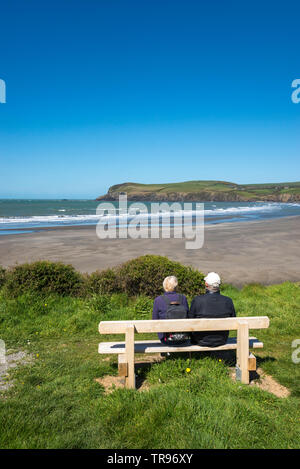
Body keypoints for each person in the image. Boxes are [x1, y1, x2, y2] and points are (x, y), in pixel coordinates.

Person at [189, 272, 236, 347]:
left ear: (206, 284)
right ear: (219, 285)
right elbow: (233, 320)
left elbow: (190, 321)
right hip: (222, 339)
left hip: (201, 339)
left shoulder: (197, 300)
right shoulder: (228, 301)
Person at [152, 276, 189, 345]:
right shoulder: (183, 298)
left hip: (165, 339)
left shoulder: (158, 300)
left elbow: (154, 320)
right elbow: (188, 316)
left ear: (164, 286)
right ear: (176, 286)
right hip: (183, 337)